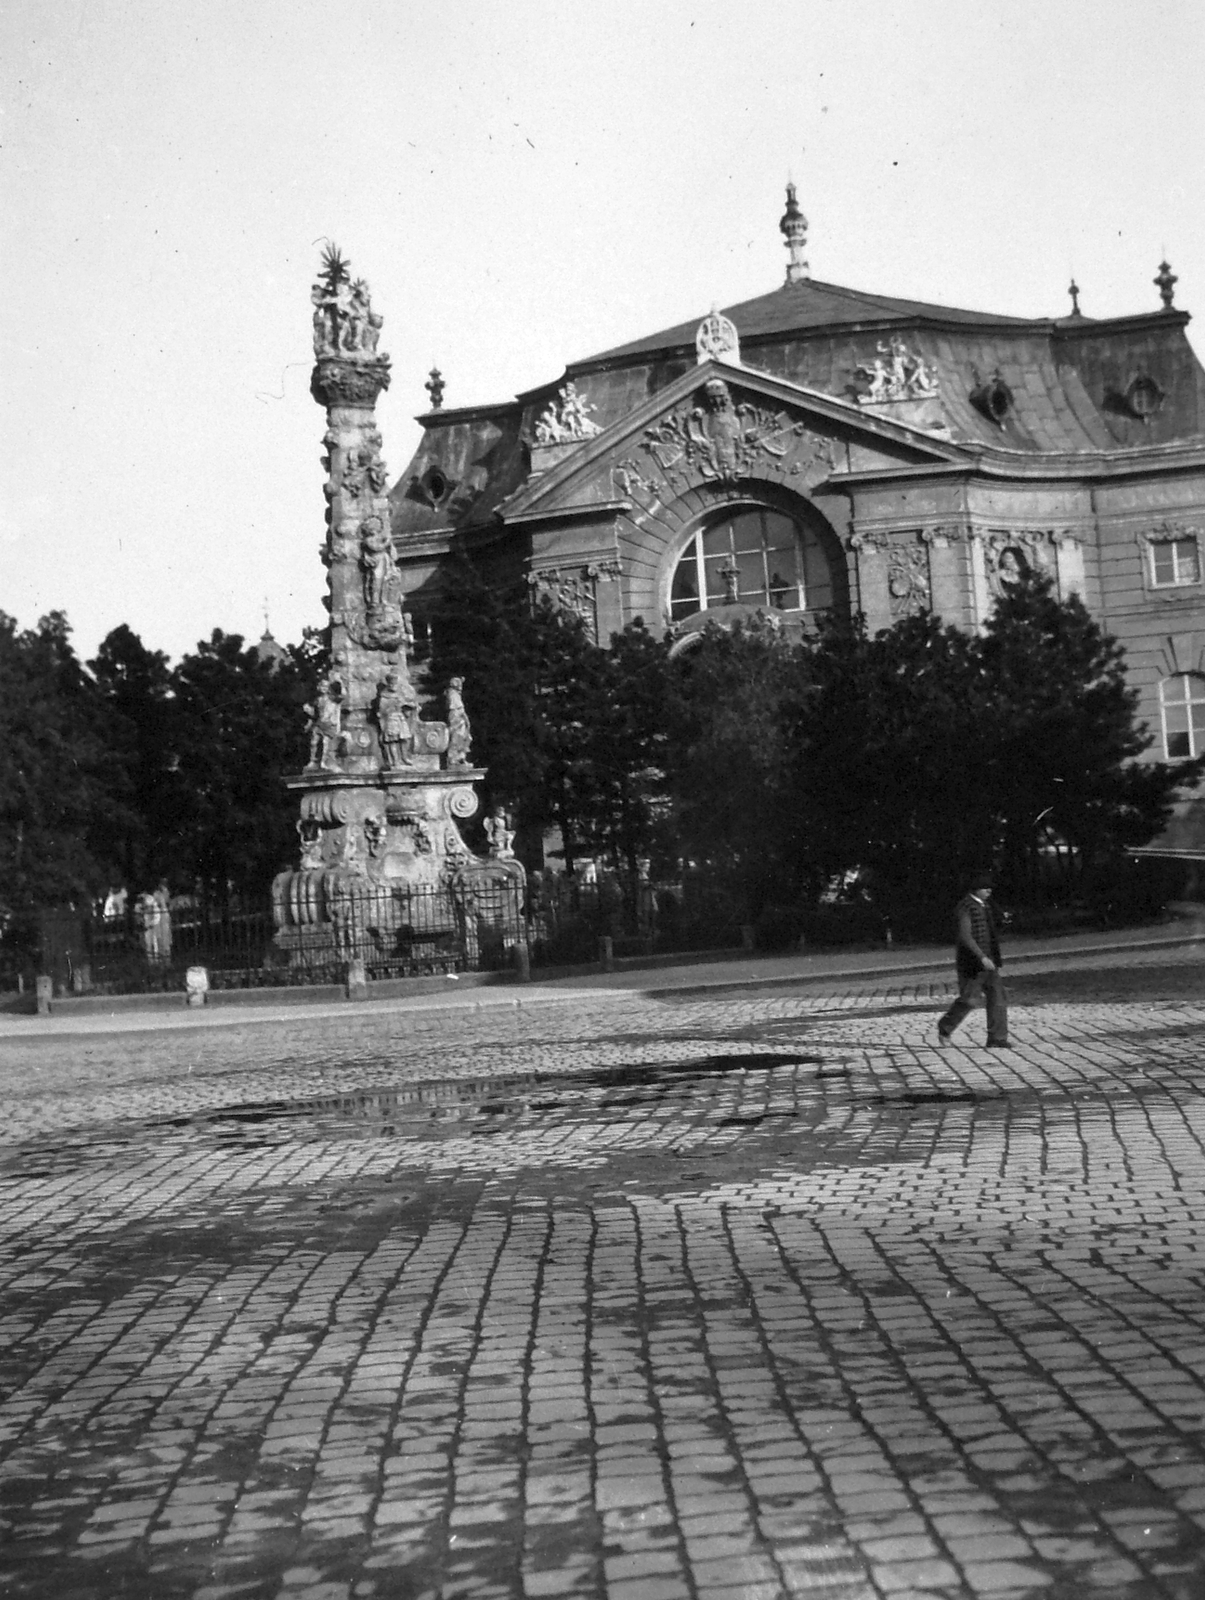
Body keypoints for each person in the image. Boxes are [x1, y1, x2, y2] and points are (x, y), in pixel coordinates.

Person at [937, 869, 1009, 1048]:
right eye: (985, 888)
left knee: (997, 997)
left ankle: (997, 1038)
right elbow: (965, 936)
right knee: (969, 1000)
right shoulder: (965, 907)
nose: (989, 891)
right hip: (971, 963)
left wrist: (1002, 920)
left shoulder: (986, 905)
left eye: (990, 888)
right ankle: (945, 1026)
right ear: (975, 889)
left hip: (989, 961)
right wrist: (981, 957)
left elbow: (989, 931)